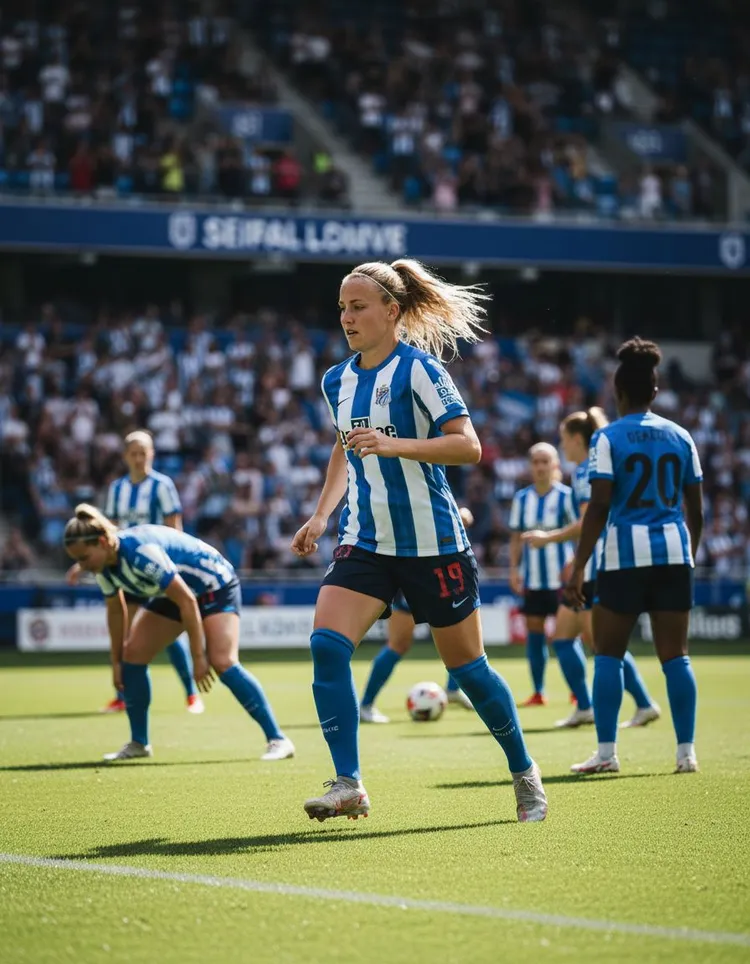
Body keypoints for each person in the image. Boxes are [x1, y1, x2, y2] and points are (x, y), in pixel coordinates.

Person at [291, 258, 547, 823]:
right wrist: (319, 516)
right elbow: (344, 446)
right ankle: (348, 783)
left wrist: (397, 444)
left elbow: (469, 446)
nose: (346, 317)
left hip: (434, 544)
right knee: (326, 645)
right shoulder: (338, 379)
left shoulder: (422, 372)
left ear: (392, 311)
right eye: (341, 307)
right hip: (365, 542)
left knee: (469, 669)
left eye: (358, 306)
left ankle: (524, 771)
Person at [566, 338, 703, 775]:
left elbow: (600, 505)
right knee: (675, 656)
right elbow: (695, 509)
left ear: (618, 392)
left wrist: (579, 563)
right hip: (673, 552)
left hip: (624, 554)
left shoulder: (607, 437)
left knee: (607, 654)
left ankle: (606, 754)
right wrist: (689, 555)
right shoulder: (681, 436)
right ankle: (686, 754)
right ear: (655, 392)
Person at [63, 505, 295, 763]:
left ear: (103, 542)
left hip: (214, 585)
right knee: (132, 656)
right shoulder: (104, 567)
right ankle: (139, 743)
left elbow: (187, 601)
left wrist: (198, 656)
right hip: (176, 594)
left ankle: (278, 739)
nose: (81, 565)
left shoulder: (140, 553)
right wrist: (116, 662)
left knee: (222, 661)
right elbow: (117, 614)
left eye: (84, 557)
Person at [522, 410, 660, 729]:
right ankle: (593, 705)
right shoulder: (590, 468)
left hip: (598, 569)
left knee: (599, 643)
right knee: (567, 638)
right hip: (596, 565)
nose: (561, 445)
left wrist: (550, 538)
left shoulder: (586, 471)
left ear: (574, 439)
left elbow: (589, 522)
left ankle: (635, 703)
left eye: (562, 438)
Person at [67, 431, 202, 715]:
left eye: (145, 452)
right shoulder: (117, 489)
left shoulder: (162, 486)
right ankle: (123, 694)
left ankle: (191, 694)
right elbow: (106, 532)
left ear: (152, 454)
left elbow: (173, 527)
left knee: (171, 634)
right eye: (134, 453)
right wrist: (83, 564)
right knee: (125, 632)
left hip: (156, 567)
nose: (140, 458)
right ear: (125, 456)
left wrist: (172, 566)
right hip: (125, 569)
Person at [360, 503, 476, 723]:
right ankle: (365, 704)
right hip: (421, 567)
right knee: (400, 643)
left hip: (432, 568)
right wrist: (457, 515)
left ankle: (452, 689)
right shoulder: (403, 488)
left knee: (459, 639)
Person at [509, 443, 576, 707]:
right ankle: (538, 692)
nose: (540, 467)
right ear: (530, 466)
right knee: (534, 633)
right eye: (535, 462)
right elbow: (515, 538)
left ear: (555, 465)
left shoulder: (567, 496)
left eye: (545, 461)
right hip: (533, 578)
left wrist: (576, 563)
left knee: (568, 635)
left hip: (562, 578)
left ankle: (576, 691)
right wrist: (514, 569)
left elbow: (580, 531)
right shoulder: (521, 499)